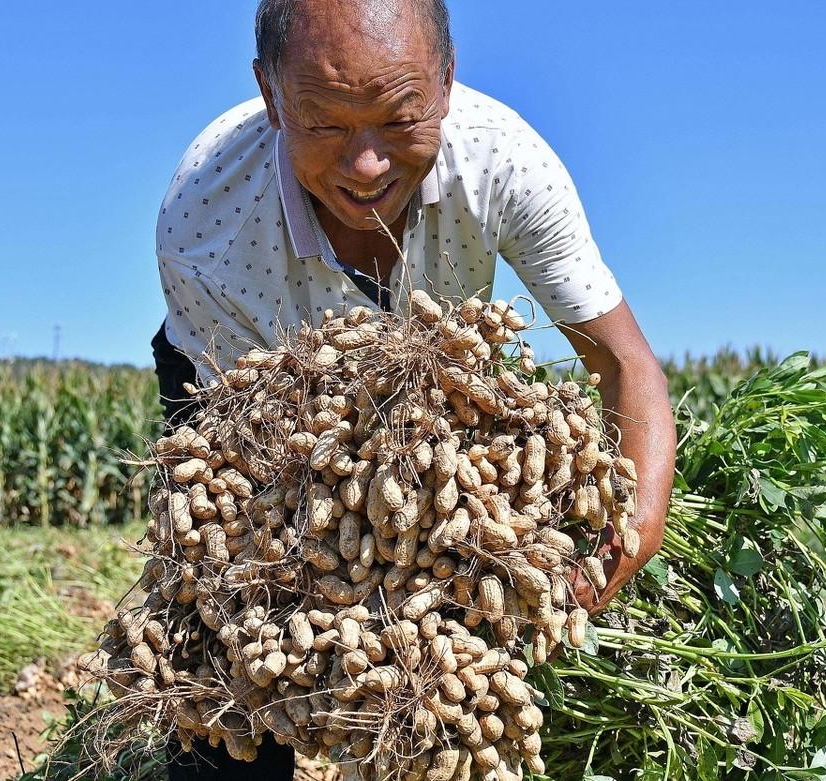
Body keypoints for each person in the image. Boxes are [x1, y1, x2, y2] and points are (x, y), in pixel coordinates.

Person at [152, 0, 677, 777]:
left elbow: (625, 368)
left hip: (435, 388)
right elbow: (251, 470)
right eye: (326, 125)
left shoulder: (503, 161)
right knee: (231, 649)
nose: (367, 165)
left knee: (451, 672)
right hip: (259, 401)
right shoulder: (206, 222)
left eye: (400, 119)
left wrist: (616, 543)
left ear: (446, 83)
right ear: (270, 97)